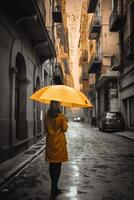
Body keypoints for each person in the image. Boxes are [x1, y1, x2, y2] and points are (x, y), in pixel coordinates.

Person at [44, 100, 68, 198]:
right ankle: (54, 187)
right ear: (58, 105)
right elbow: (65, 129)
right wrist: (65, 121)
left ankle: (53, 187)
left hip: (50, 142)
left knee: (51, 164)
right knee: (58, 165)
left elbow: (45, 128)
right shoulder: (61, 116)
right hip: (59, 143)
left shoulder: (46, 115)